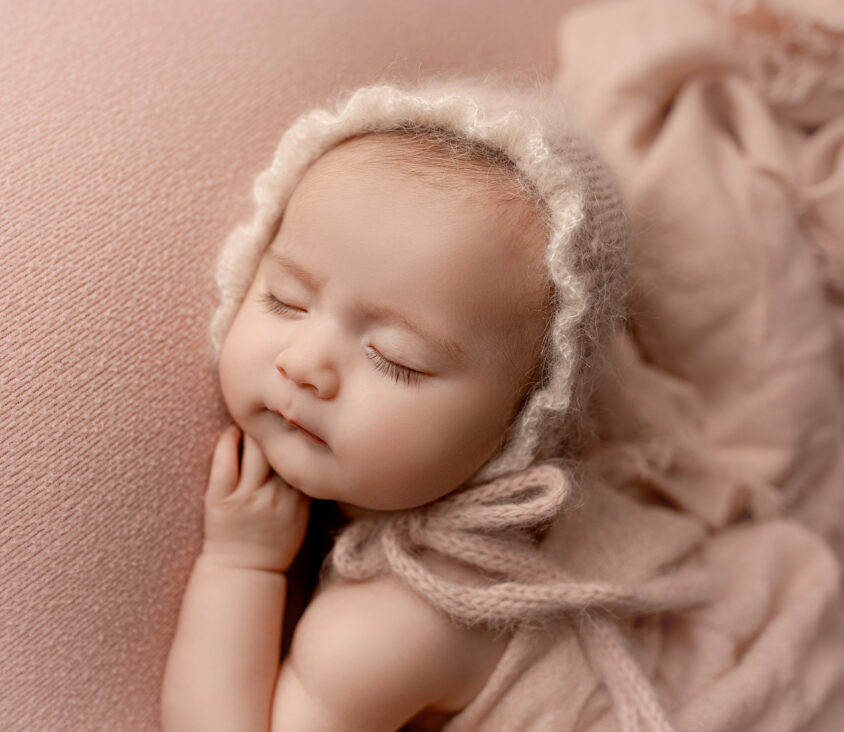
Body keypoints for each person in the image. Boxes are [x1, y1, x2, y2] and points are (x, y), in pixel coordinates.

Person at [162, 80, 694, 731]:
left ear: (522, 421)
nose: (303, 366)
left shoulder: (395, 624)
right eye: (286, 300)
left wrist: (241, 561)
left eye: (396, 360)